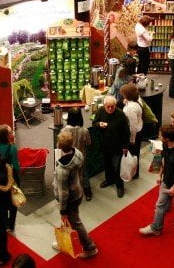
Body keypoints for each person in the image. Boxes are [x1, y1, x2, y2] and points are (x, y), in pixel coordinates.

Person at [52, 130, 99, 258]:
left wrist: (62, 210)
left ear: (60, 146)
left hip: (69, 199)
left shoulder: (62, 170)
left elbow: (63, 192)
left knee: (75, 223)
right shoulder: (77, 153)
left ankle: (90, 248)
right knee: (74, 220)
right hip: (78, 191)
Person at [139, 125, 174, 236]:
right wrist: (159, 175)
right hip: (166, 179)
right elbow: (163, 161)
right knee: (160, 204)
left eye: (160, 135)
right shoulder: (164, 145)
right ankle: (156, 228)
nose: (159, 136)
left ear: (167, 138)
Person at [93, 96, 130, 198]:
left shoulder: (120, 114)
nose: (110, 109)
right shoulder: (100, 111)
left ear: (116, 105)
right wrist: (99, 124)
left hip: (117, 146)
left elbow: (126, 132)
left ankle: (119, 186)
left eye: (112, 107)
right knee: (107, 164)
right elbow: (94, 123)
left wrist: (125, 146)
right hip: (105, 144)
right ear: (104, 105)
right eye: (107, 107)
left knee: (117, 167)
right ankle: (109, 180)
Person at [0, 124, 20, 231]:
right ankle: (11, 225)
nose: (12, 134)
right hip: (9, 179)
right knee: (13, 202)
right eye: (10, 132)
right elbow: (15, 167)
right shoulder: (12, 148)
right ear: (5, 136)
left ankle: (4, 223)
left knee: (0, 201)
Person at [63, 107, 93, 201]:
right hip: (80, 157)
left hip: (68, 159)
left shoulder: (64, 131)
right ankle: (88, 193)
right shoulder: (84, 131)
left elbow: (59, 145)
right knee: (84, 175)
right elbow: (88, 143)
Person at [121, 83, 143, 180]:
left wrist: (132, 139)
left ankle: (132, 173)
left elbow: (132, 126)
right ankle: (135, 172)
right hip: (140, 128)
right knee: (135, 154)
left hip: (134, 133)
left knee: (132, 155)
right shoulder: (138, 101)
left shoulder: (130, 109)